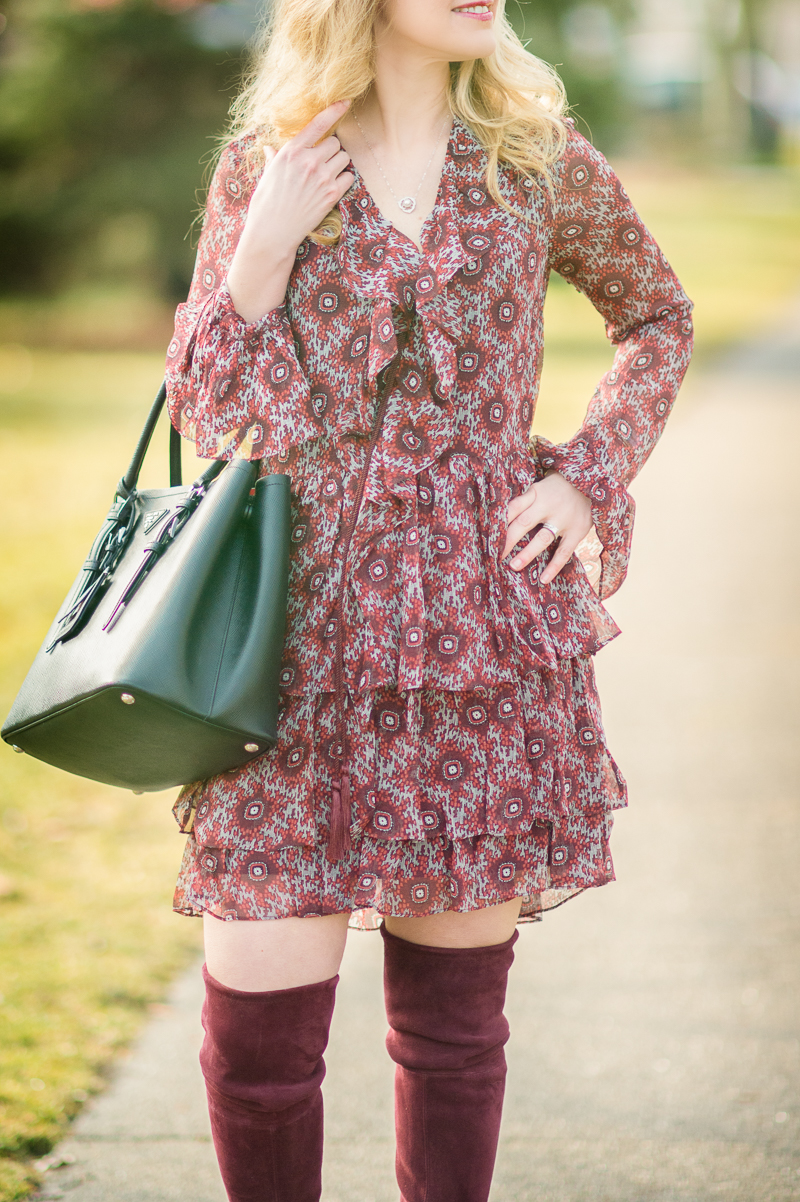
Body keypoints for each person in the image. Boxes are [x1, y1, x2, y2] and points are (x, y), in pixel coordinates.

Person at [164, 0, 693, 1198]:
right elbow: (208, 407)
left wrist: (586, 479)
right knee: (258, 1053)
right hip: (292, 640)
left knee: (453, 1038)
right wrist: (260, 255)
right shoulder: (273, 163)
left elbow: (656, 317)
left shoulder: (532, 160)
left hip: (479, 631)